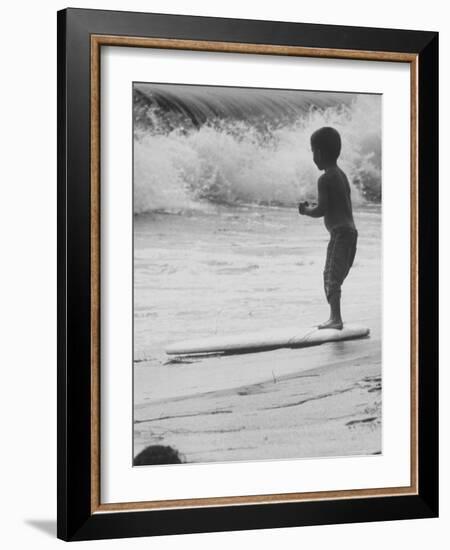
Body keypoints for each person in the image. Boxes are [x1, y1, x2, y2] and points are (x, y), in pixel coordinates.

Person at [298, 126, 357, 330]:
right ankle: (335, 316)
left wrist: (306, 210)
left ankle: (335, 318)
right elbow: (338, 203)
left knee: (330, 276)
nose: (313, 156)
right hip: (351, 234)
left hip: (340, 234)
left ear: (320, 153)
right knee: (334, 277)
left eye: (312, 151)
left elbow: (322, 209)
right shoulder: (341, 175)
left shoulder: (324, 178)